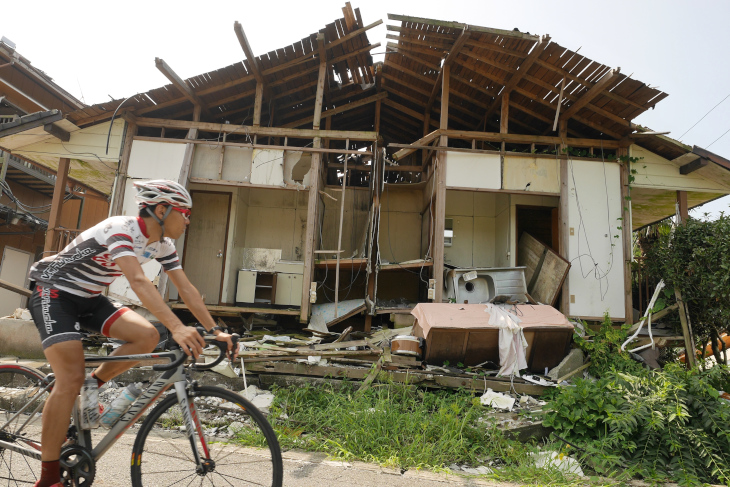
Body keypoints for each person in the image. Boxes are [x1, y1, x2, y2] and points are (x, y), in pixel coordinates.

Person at [27, 179, 236, 487]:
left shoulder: (162, 245)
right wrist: (177, 327)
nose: (188, 220)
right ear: (162, 209)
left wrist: (216, 330)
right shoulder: (120, 228)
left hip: (89, 298)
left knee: (148, 336)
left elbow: (187, 289)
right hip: (54, 294)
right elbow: (138, 281)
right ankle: (47, 480)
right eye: (185, 213)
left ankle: (92, 386)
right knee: (68, 380)